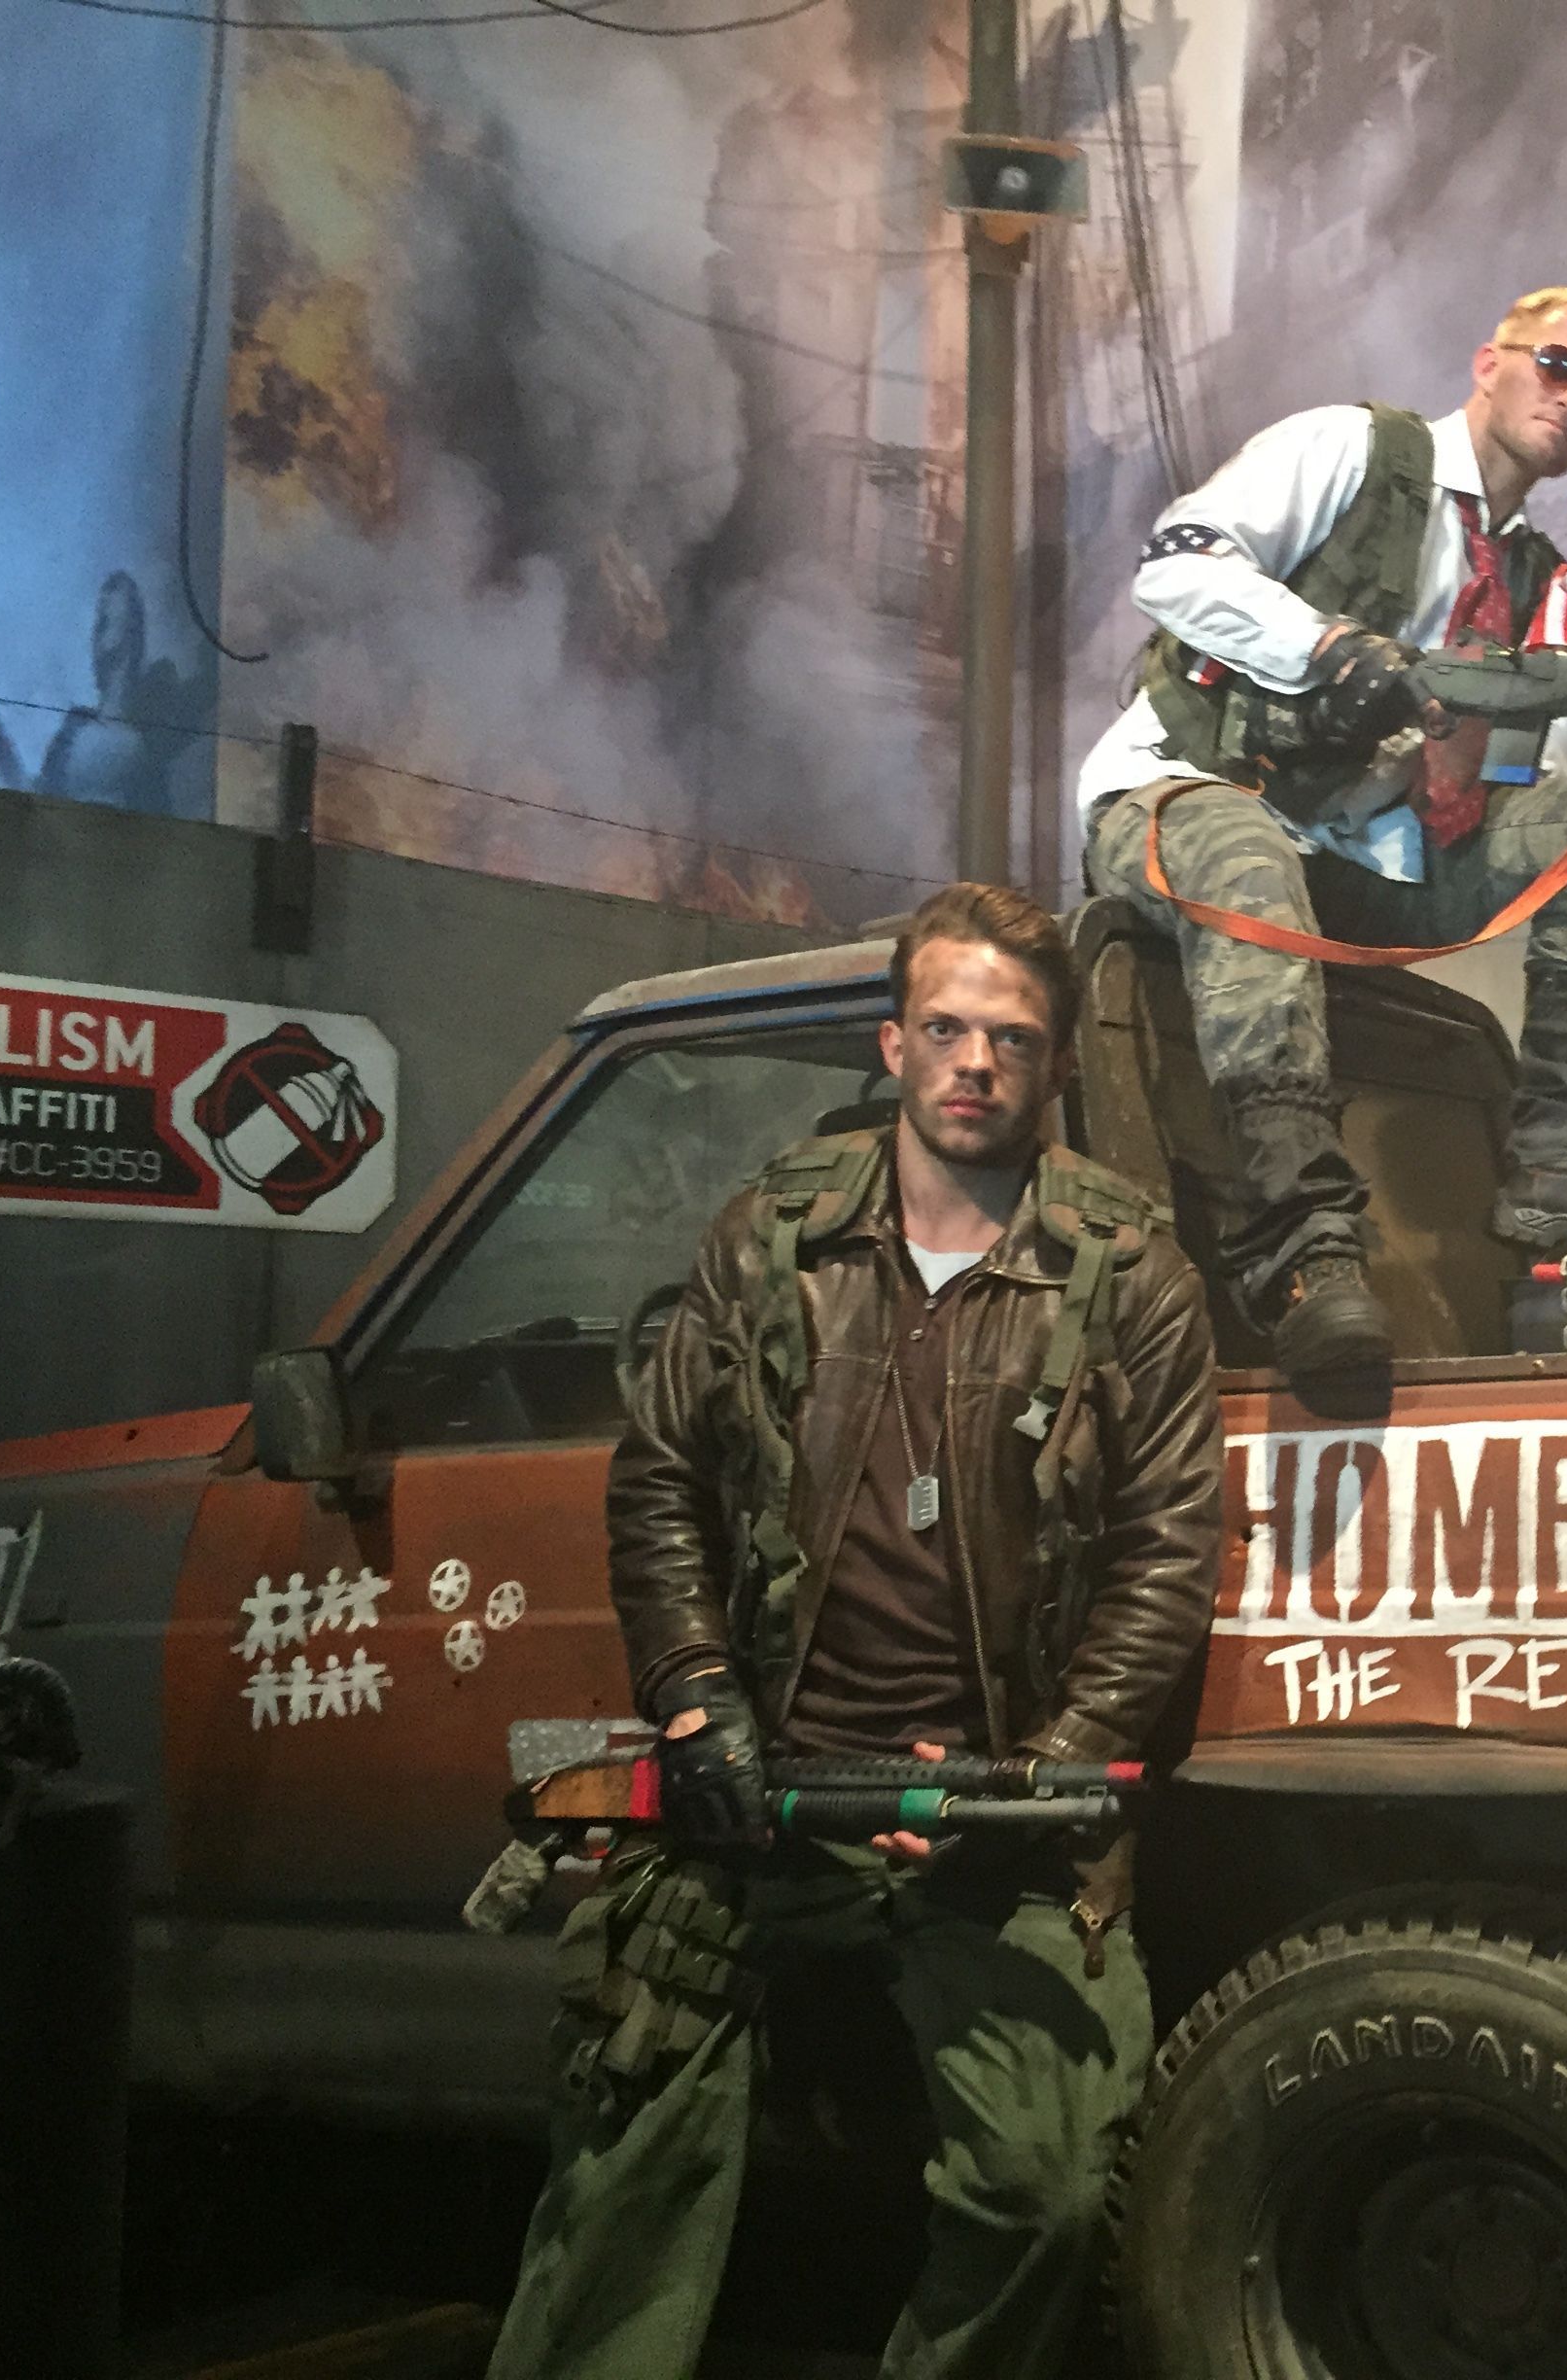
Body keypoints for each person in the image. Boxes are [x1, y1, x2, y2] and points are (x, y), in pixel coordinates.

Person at [488, 883, 1223, 2379]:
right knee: (622, 2142)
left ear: (1052, 1065)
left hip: (993, 1820)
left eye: (1011, 1039)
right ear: (894, 1044)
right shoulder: (775, 1235)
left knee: (1049, 2192)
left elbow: (1167, 1555)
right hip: (764, 1790)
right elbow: (661, 1480)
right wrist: (695, 1697)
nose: (976, 1063)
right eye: (945, 1029)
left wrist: (1037, 1781)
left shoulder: (1130, 1271)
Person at [1078, 285, 1567, 1382]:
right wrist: (1325, 650)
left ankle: (1558, 1170)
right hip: (1180, 792)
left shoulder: (1530, 575)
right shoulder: (1353, 450)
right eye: (1557, 364)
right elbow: (1175, 561)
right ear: (1489, 362)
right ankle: (1301, 1250)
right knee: (1248, 855)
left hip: (1355, 858)